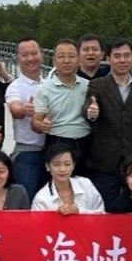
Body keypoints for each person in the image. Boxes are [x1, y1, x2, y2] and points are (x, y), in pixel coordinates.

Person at [83, 37, 132, 204]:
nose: (122, 60)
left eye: (126, 55)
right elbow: (88, 108)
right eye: (117, 56)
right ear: (108, 59)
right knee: (105, 206)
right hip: (105, 160)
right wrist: (91, 112)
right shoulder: (97, 85)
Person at [32, 39, 90, 171]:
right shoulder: (44, 89)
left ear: (79, 59)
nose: (66, 61)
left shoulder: (88, 86)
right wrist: (41, 125)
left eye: (71, 56)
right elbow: (35, 122)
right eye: (61, 56)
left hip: (85, 142)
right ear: (54, 61)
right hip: (57, 142)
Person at [5, 37, 47, 201]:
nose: (30, 58)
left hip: (51, 152)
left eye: (34, 53)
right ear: (18, 58)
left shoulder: (49, 84)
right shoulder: (15, 87)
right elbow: (15, 109)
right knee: (24, 201)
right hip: (28, 155)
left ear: (42, 55)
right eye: (24, 55)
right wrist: (25, 109)